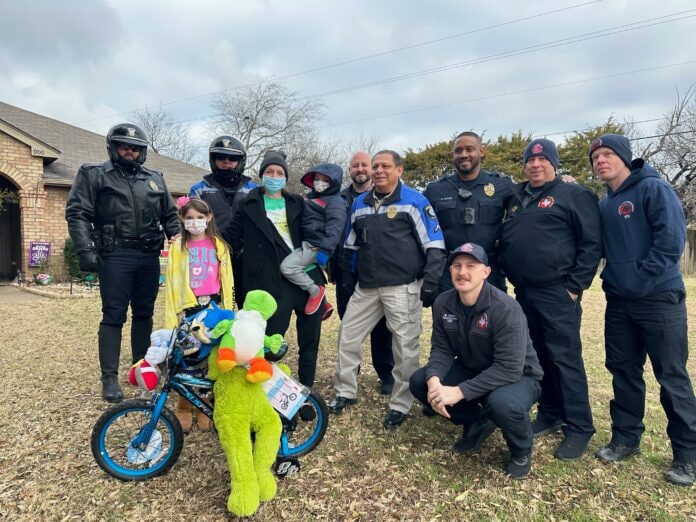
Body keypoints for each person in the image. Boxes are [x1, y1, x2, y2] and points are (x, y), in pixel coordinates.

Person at [589, 133, 696, 486]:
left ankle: (687, 455)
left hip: (658, 299)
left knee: (671, 376)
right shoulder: (605, 203)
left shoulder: (653, 189)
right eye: (595, 157)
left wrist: (640, 279)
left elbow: (671, 242)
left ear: (624, 157)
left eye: (607, 154)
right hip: (619, 302)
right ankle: (625, 438)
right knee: (623, 371)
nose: (600, 160)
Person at [499, 138, 602, 460]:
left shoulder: (574, 194)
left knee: (564, 358)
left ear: (554, 164)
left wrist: (575, 286)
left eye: (543, 161)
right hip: (524, 292)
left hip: (558, 291)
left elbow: (592, 243)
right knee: (538, 357)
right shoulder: (516, 196)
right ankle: (549, 412)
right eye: (530, 160)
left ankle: (579, 427)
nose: (535, 165)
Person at [329, 150, 447, 429]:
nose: (379, 170)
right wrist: (347, 276)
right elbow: (350, 246)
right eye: (376, 166)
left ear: (399, 170)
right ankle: (345, 391)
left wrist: (430, 281)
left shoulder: (415, 201)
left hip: (403, 287)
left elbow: (435, 245)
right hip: (367, 287)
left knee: (405, 348)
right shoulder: (360, 202)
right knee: (347, 337)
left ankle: (400, 404)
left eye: (386, 166)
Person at [65, 123, 180, 402]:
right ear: (113, 147)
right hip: (115, 254)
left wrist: (177, 240)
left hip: (149, 255)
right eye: (124, 146)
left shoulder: (155, 178)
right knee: (114, 315)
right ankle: (109, 378)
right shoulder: (94, 175)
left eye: (136, 148)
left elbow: (170, 215)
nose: (130, 151)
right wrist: (85, 249)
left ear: (143, 152)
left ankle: (141, 368)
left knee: (144, 312)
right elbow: (77, 212)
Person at [409, 243, 543, 478]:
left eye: (471, 266)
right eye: (457, 266)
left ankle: (521, 449)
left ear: (486, 272)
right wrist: (434, 380)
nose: (463, 272)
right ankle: (477, 421)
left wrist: (459, 392)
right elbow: (441, 348)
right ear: (449, 270)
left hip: (519, 377)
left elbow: (509, 368)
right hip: (473, 367)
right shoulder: (443, 302)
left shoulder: (506, 309)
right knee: (420, 382)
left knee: (502, 404)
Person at [227, 150, 324, 387]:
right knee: (269, 342)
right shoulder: (248, 203)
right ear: (261, 175)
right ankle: (268, 390)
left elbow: (317, 229)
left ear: (285, 177)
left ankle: (306, 389)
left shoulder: (297, 202)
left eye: (279, 172)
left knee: (309, 340)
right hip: (270, 280)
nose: (274, 176)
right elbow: (229, 238)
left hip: (305, 276)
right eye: (269, 172)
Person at [165, 196, 234, 432]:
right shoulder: (177, 247)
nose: (195, 222)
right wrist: (172, 318)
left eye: (200, 218)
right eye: (190, 218)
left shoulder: (219, 246)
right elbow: (172, 284)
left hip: (212, 309)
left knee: (209, 361)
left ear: (209, 218)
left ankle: (205, 403)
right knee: (186, 359)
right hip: (189, 310)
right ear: (182, 219)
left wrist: (228, 311)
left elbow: (227, 281)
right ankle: (183, 406)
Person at [334, 151, 395, 395]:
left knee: (382, 328)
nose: (360, 169)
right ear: (349, 170)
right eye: (354, 165)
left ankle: (387, 374)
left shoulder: (386, 196)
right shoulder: (338, 198)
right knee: (349, 326)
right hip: (346, 270)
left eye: (364, 165)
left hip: (377, 272)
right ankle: (350, 376)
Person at [424, 132, 514, 293]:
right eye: (458, 151)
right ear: (452, 155)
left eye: (469, 149)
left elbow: (532, 197)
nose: (464, 155)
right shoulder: (435, 190)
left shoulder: (502, 185)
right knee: (449, 316)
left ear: (481, 151)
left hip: (488, 267)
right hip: (450, 270)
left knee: (491, 316)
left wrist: (562, 183)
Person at [189, 136, 256, 302]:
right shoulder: (199, 189)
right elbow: (190, 223)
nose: (226, 162)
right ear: (213, 160)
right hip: (211, 257)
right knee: (211, 306)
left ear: (241, 161)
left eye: (232, 158)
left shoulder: (254, 190)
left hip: (246, 256)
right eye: (221, 158)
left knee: (246, 306)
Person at [280, 162, 346, 315]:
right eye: (316, 178)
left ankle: (315, 291)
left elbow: (335, 227)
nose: (319, 182)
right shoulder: (310, 198)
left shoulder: (336, 201)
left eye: (324, 179)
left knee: (288, 268)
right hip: (306, 243)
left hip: (316, 246)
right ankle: (323, 303)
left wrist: (325, 250)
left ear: (333, 182)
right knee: (306, 269)